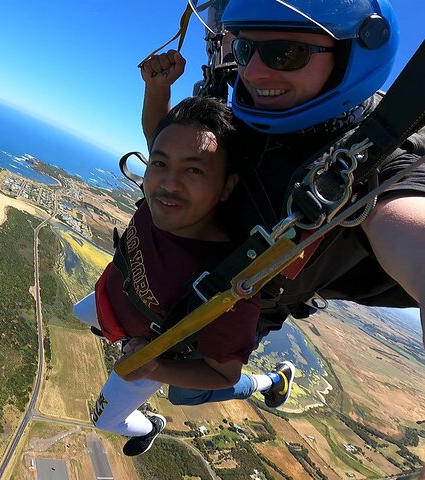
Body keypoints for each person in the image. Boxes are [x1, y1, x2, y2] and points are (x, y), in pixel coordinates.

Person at [140, 0, 425, 350]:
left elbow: (410, 230)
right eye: (246, 49)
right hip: (193, 273)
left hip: (248, 302)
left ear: (350, 55)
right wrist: (157, 92)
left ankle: (272, 380)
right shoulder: (244, 117)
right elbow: (164, 152)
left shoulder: (376, 165)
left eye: (286, 53)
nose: (253, 72)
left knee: (191, 391)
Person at [73, 95, 296, 457]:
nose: (169, 183)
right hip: (113, 304)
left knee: (105, 420)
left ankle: (151, 427)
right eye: (159, 164)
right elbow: (158, 135)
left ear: (226, 186)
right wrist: (156, 88)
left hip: (149, 353)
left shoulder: (226, 287)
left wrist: (156, 366)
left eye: (194, 170)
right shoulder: (161, 201)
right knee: (76, 312)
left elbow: (223, 375)